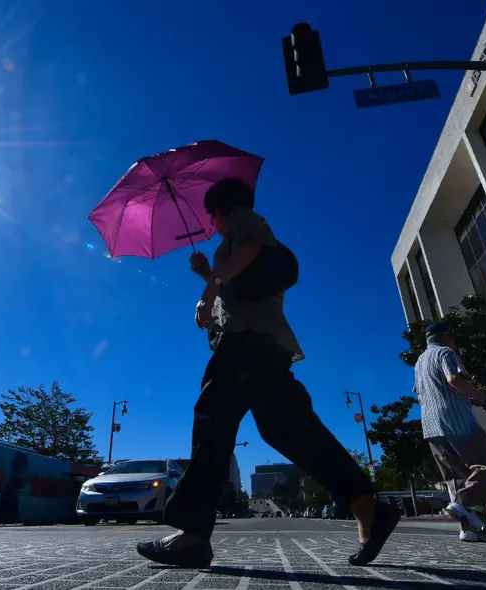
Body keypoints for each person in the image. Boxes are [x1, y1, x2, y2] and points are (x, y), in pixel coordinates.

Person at [136, 178, 399, 568]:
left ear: (222, 210)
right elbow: (240, 284)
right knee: (288, 428)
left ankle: (191, 534)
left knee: (213, 425)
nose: (211, 223)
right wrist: (207, 275)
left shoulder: (245, 221)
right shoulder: (235, 244)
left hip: (244, 347)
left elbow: (249, 248)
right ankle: (366, 505)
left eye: (212, 215)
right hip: (264, 347)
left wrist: (209, 289)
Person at [413, 322, 486, 543]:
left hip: (431, 426)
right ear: (446, 335)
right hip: (456, 421)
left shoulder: (419, 362)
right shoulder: (446, 352)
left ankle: (469, 529)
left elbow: (419, 394)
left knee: (457, 477)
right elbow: (454, 380)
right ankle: (462, 504)